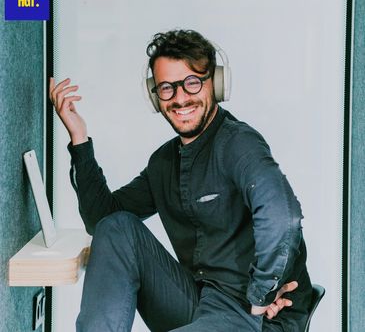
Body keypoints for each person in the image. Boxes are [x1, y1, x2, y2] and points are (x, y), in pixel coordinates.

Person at [49, 29, 312, 332]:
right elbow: (101, 221)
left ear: (216, 83)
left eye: (191, 83)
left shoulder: (240, 144)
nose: (180, 98)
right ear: (155, 96)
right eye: (167, 88)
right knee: (118, 226)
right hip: (198, 302)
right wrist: (79, 139)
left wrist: (262, 294)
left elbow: (282, 217)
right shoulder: (163, 163)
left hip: (252, 317)